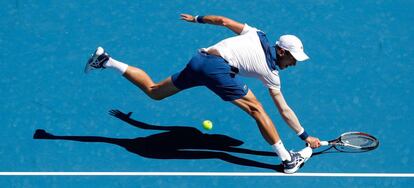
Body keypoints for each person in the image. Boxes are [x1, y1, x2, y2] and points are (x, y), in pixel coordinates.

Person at [84, 14, 321, 173]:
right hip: (218, 69)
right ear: (280, 51)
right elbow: (283, 109)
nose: (294, 63)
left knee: (155, 91)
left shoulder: (256, 33)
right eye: (292, 58)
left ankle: (106, 61)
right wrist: (305, 137)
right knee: (257, 109)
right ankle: (287, 160)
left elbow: (223, 21)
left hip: (200, 60)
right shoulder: (271, 73)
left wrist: (198, 18)